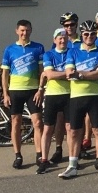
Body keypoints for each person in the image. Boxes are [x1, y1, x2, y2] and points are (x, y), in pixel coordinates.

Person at [61, 21, 98, 178]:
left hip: (95, 97)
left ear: (96, 34)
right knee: (75, 132)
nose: (89, 37)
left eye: (93, 34)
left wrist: (80, 74)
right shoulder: (73, 51)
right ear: (82, 35)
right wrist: (91, 73)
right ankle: (72, 165)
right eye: (86, 34)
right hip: (76, 97)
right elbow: (69, 73)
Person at [0, 19, 44, 170]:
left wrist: (41, 89)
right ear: (17, 31)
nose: (25, 33)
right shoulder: (9, 49)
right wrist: (5, 94)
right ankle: (18, 155)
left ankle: (39, 154)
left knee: (38, 122)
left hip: (33, 90)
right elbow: (5, 74)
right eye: (22, 30)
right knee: (16, 123)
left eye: (28, 30)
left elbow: (41, 71)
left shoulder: (38, 47)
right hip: (15, 91)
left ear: (31, 30)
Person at [37, 29, 71, 173]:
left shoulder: (72, 53)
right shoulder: (48, 54)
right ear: (54, 40)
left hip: (70, 94)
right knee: (48, 129)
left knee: (70, 129)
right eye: (59, 38)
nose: (62, 40)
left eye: (64, 38)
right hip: (52, 95)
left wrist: (59, 74)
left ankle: (72, 160)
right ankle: (44, 160)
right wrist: (67, 74)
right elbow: (49, 75)